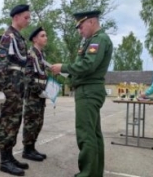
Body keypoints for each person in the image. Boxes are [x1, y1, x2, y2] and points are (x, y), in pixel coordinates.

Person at [50, 10, 112, 177]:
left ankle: (87, 173)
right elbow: (84, 67)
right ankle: (94, 172)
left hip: (88, 92)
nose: (79, 30)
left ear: (91, 22)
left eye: (81, 26)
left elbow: (87, 65)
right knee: (93, 134)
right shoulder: (93, 40)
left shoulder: (98, 40)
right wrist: (65, 72)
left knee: (86, 135)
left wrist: (63, 67)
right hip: (89, 90)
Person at [0, 4, 31, 176]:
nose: (28, 20)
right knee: (7, 122)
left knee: (15, 121)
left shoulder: (18, 37)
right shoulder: (8, 37)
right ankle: (4, 161)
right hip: (9, 87)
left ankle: (9, 156)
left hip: (17, 86)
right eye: (26, 17)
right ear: (16, 18)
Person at [22, 26, 48, 162]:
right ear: (35, 39)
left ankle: (32, 148)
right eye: (42, 36)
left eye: (45, 35)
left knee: (38, 122)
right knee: (31, 122)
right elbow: (28, 77)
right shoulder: (30, 54)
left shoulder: (41, 55)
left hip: (41, 95)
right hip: (33, 95)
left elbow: (43, 76)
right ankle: (27, 150)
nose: (46, 38)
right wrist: (39, 91)